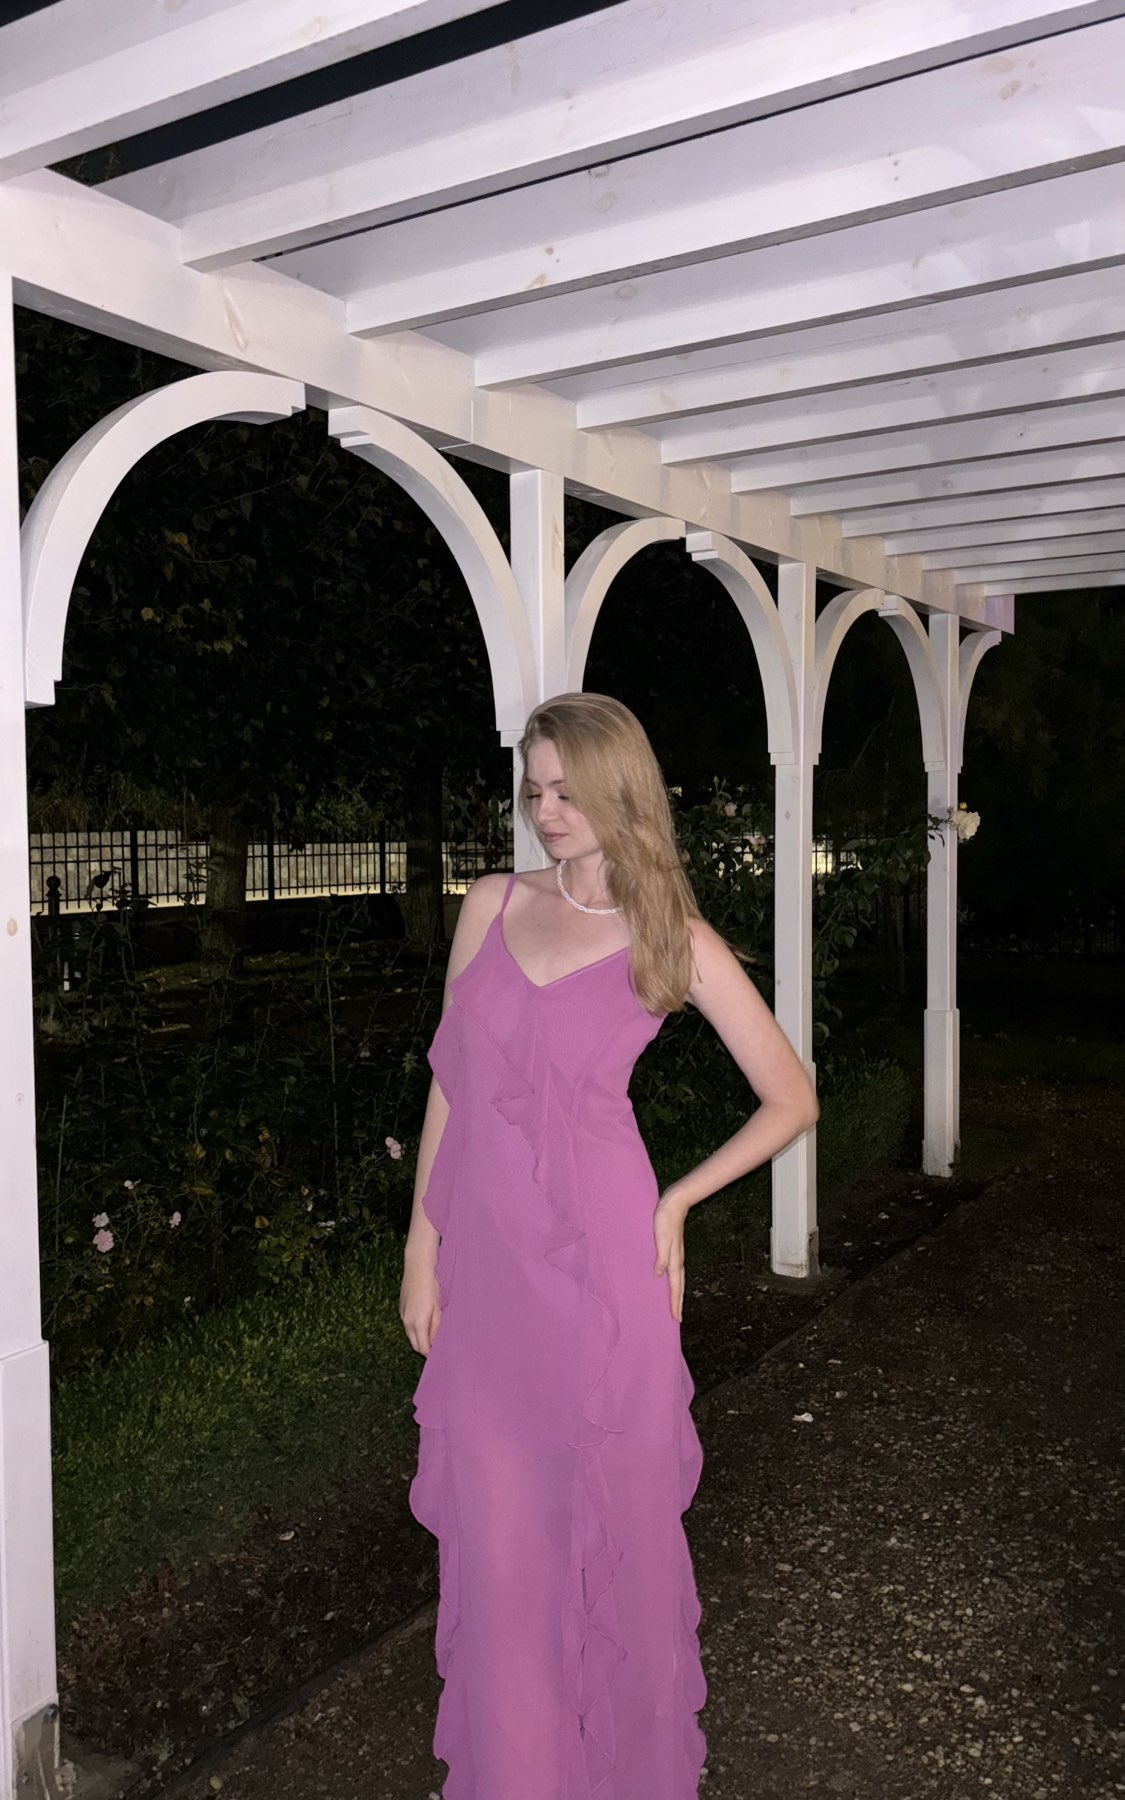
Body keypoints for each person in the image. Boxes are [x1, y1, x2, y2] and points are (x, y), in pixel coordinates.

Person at [399, 692, 819, 1800]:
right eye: (534, 789)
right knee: (501, 1552)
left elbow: (790, 1096)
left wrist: (676, 1204)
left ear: (619, 792)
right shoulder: (490, 904)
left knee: (609, 1537)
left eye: (568, 791)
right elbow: (452, 1083)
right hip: (489, 1277)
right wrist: (420, 1250)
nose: (546, 811)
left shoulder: (667, 935)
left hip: (601, 1276)